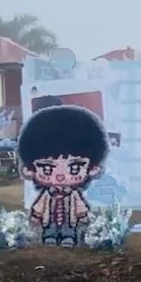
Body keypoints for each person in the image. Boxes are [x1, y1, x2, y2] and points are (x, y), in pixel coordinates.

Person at [18, 105, 109, 246]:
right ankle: (50, 237)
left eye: (74, 168)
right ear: (29, 170)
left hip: (70, 221)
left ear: (93, 169)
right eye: (47, 168)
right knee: (49, 229)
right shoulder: (47, 194)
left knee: (69, 229)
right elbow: (40, 205)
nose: (60, 176)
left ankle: (68, 237)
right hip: (49, 221)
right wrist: (36, 216)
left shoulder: (74, 194)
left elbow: (80, 206)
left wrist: (83, 216)